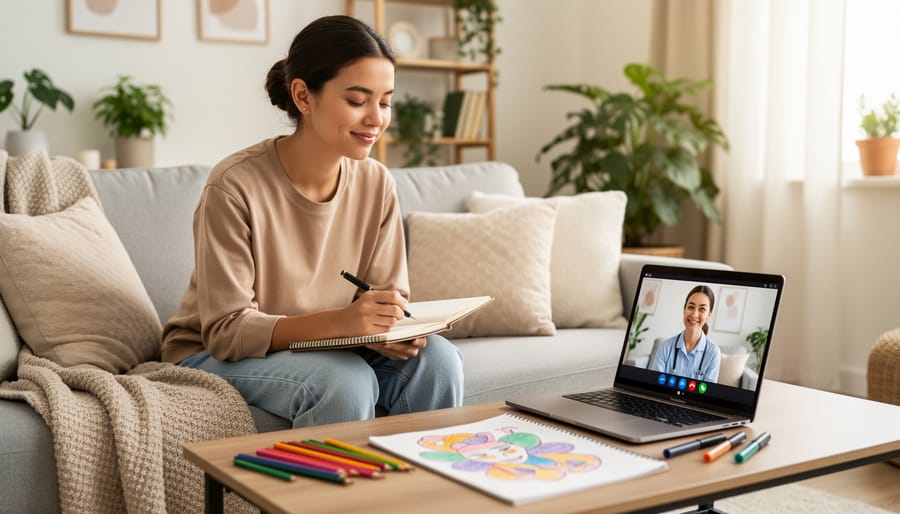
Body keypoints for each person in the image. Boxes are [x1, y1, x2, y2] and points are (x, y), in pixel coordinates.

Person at [161, 15, 464, 428]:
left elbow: (387, 295)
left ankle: (424, 472)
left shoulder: (377, 183)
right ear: (303, 96)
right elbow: (227, 331)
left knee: (438, 362)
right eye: (357, 101)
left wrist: (392, 326)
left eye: (385, 102)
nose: (376, 119)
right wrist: (342, 323)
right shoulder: (233, 185)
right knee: (343, 382)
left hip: (330, 343)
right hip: (214, 353)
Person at [649, 285, 721, 383]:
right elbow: (655, 385)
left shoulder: (713, 353)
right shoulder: (665, 347)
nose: (694, 314)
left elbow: (708, 391)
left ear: (709, 314)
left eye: (702, 309)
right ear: (684, 309)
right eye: (691, 307)